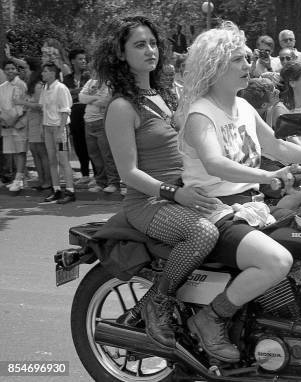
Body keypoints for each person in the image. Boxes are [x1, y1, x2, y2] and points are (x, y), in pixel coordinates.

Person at [174, 21, 301, 362]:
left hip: (251, 207)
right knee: (277, 260)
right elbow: (215, 164)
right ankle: (210, 319)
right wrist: (270, 177)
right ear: (215, 65)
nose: (247, 65)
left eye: (246, 58)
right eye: (238, 60)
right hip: (214, 211)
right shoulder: (200, 114)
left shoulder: (243, 107)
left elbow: (279, 146)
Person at [92, 15, 221, 350]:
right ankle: (156, 302)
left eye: (152, 43)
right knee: (202, 233)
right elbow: (128, 173)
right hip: (149, 203)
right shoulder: (122, 106)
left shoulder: (168, 95)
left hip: (184, 192)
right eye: (139, 44)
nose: (149, 50)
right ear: (120, 54)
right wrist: (177, 194)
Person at [39, 63, 75, 203]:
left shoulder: (60, 88)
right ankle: (56, 189)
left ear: (52, 73)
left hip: (59, 128)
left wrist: (61, 131)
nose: (42, 74)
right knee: (52, 160)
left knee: (63, 160)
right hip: (47, 128)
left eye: (45, 71)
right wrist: (43, 128)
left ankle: (70, 191)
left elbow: (66, 110)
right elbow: (44, 109)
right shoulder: (45, 88)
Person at [14, 59, 52, 191]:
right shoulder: (31, 85)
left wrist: (22, 103)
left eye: (27, 69)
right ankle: (42, 180)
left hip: (39, 122)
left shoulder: (38, 86)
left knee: (41, 152)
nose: (24, 71)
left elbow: (41, 106)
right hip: (31, 122)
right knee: (35, 152)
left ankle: (48, 181)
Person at [79, 76, 119, 193]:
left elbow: (107, 101)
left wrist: (90, 99)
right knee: (95, 156)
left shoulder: (110, 83)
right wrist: (96, 98)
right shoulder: (91, 81)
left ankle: (113, 183)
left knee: (107, 155)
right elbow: (81, 98)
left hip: (102, 122)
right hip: (88, 122)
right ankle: (101, 182)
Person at [64, 48, 92, 187]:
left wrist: (75, 93)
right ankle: (85, 174)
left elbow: (89, 92)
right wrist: (80, 92)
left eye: (84, 59)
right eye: (80, 59)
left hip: (88, 113)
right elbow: (66, 95)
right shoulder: (67, 78)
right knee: (79, 144)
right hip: (73, 114)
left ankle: (98, 175)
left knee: (91, 145)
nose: (83, 61)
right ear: (73, 61)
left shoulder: (90, 76)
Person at [0, 60, 27, 192]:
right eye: (7, 69)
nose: (10, 71)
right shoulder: (2, 87)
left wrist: (14, 120)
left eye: (12, 68)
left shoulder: (21, 84)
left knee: (20, 151)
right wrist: (4, 121)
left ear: (16, 70)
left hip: (19, 123)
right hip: (6, 123)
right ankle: (15, 179)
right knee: (11, 152)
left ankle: (20, 179)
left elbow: (23, 106)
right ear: (4, 71)